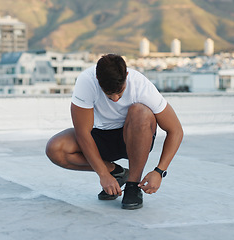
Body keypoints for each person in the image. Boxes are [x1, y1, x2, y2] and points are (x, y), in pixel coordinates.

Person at [46, 54, 183, 210]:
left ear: (126, 75)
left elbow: (175, 130)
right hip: (100, 137)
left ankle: (133, 184)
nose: (116, 99)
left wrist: (159, 171)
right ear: (98, 79)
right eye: (109, 94)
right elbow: (83, 133)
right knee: (55, 149)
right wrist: (103, 174)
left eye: (120, 92)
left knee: (141, 111)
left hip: (134, 137)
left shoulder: (140, 84)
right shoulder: (86, 81)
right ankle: (117, 172)